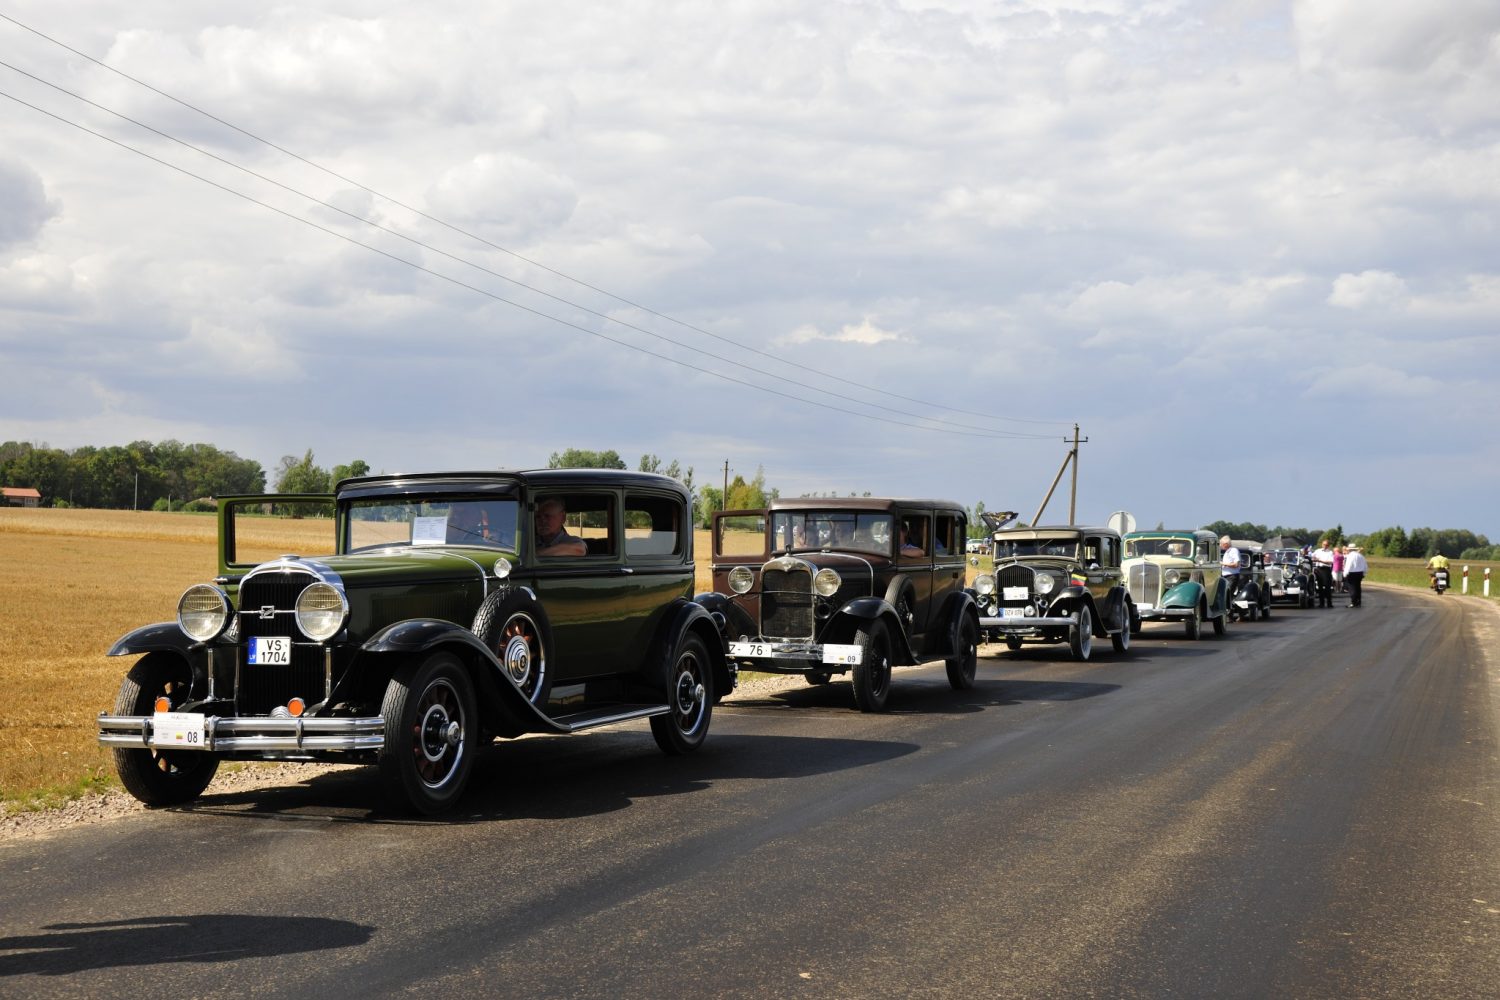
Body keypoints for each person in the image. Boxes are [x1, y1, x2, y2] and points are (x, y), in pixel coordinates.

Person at [1310, 538, 1336, 607]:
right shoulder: (1317, 551)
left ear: (1328, 546)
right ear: (1322, 544)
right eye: (1324, 544)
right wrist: (1313, 559)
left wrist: (1320, 560)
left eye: (1326, 545)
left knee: (1327, 587)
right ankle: (1321, 603)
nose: (1325, 546)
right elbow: (1312, 557)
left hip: (1326, 570)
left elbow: (1330, 562)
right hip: (1318, 569)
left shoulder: (1330, 552)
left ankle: (1329, 603)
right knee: (1320, 587)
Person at [1219, 536, 1242, 609]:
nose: (1220, 545)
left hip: (1232, 576)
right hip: (1227, 576)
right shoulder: (1227, 552)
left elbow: (1236, 564)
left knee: (1228, 595)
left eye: (1221, 543)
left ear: (1226, 544)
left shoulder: (1233, 550)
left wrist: (1223, 564)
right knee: (1227, 596)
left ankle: (1233, 612)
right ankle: (1237, 610)